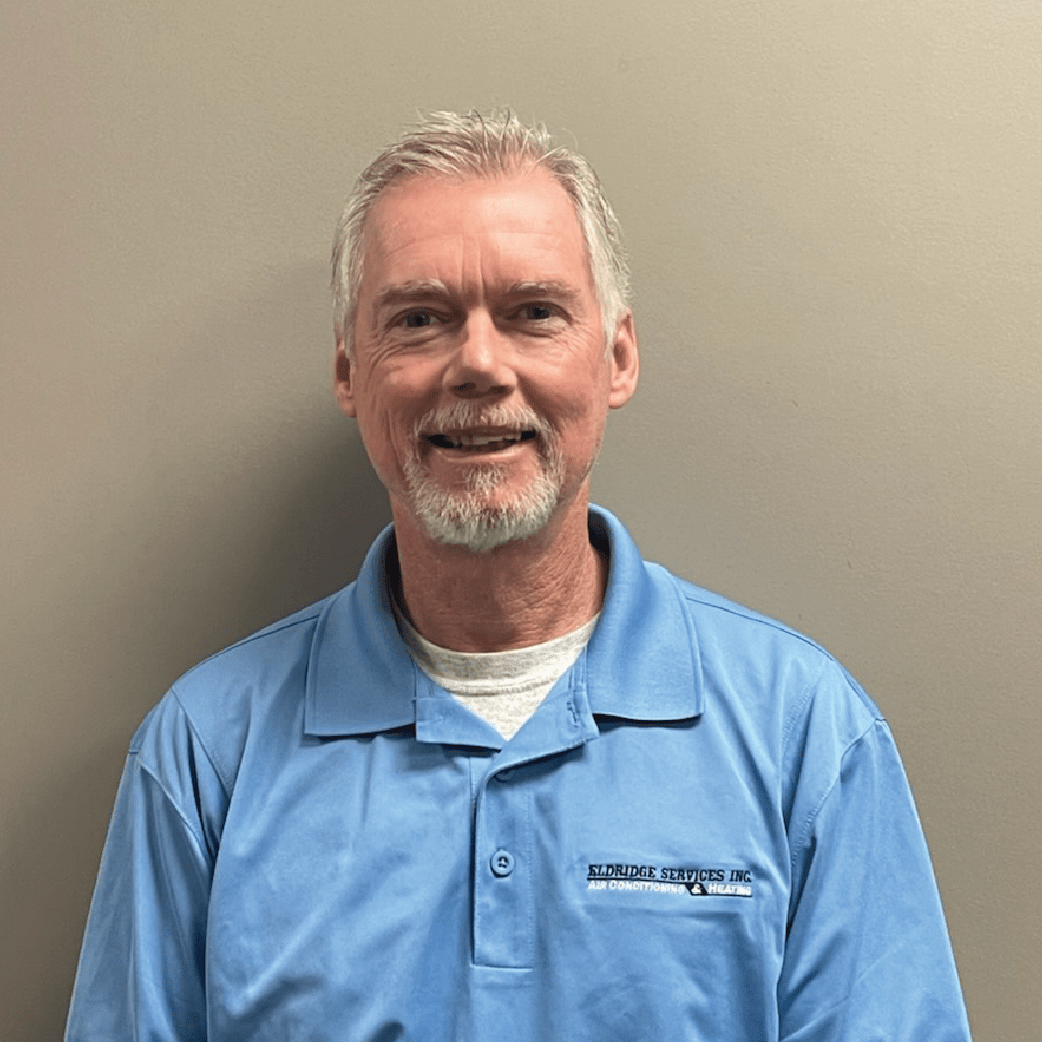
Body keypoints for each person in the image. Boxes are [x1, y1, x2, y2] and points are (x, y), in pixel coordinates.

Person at [65, 110, 973, 1041]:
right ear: (350, 371)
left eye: (534, 313)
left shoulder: (804, 738)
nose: (480, 365)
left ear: (616, 357)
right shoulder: (206, 755)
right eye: (419, 319)